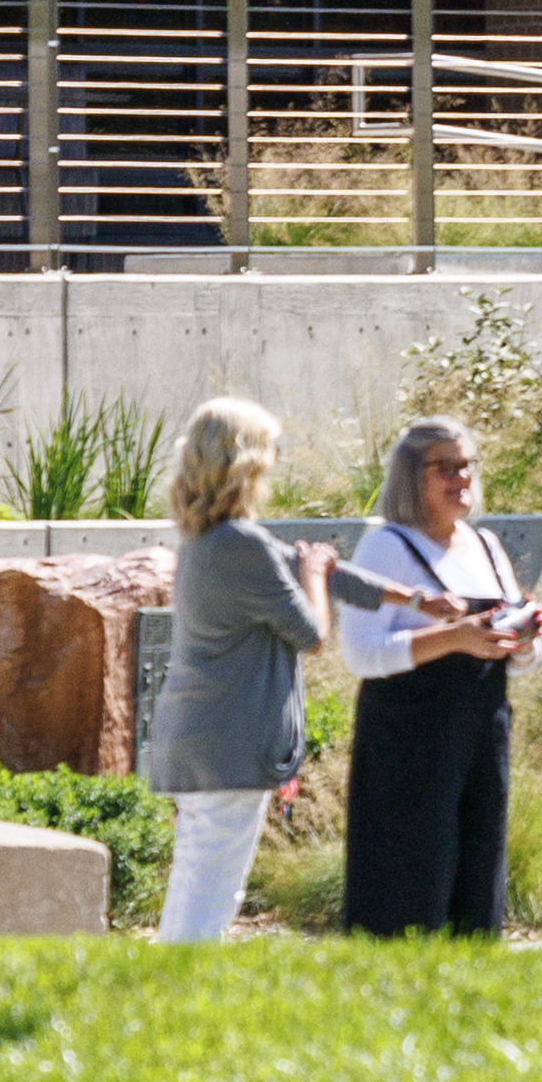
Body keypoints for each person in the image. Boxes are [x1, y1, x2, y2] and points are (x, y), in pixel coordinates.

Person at [326, 414, 541, 939]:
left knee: (479, 860)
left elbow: (517, 658)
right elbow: (360, 655)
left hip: (482, 734)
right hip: (407, 741)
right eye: (445, 467)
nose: (460, 478)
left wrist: (524, 639)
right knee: (408, 874)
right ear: (410, 477)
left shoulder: (486, 544)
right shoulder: (387, 547)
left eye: (466, 465)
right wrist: (454, 638)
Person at [143, 395, 340, 943]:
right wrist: (316, 574)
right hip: (228, 746)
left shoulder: (206, 541)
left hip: (196, 739)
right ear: (248, 458)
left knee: (195, 879)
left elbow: (298, 568)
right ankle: (180, 1001)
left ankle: (161, 994)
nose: (277, 458)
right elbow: (312, 634)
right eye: (271, 448)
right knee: (213, 891)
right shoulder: (243, 543)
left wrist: (414, 601)